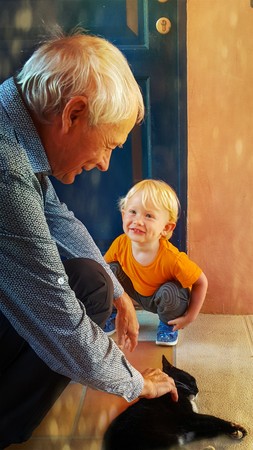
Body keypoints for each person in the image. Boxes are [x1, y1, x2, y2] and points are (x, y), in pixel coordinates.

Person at [0, 29, 178, 448]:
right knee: (73, 301)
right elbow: (58, 313)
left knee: (93, 280)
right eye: (109, 146)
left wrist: (118, 292)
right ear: (73, 113)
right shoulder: (6, 168)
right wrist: (134, 382)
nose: (104, 164)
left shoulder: (14, 127)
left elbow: (57, 218)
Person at [103, 179, 208, 346]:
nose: (138, 220)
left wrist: (190, 317)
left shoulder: (172, 258)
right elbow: (101, 270)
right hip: (135, 293)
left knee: (170, 291)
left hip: (164, 298)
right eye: (133, 212)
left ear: (166, 228)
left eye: (149, 216)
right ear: (123, 215)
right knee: (109, 270)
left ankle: (167, 324)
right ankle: (115, 312)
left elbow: (201, 281)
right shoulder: (121, 244)